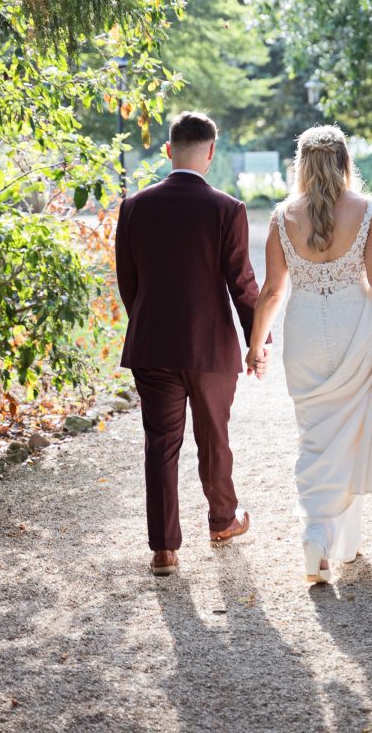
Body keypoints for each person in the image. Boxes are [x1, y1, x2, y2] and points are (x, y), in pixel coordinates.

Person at [246, 124, 372, 584]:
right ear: (345, 164)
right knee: (352, 434)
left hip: (303, 335)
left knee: (314, 435)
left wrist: (255, 346)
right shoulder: (370, 211)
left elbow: (272, 292)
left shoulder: (281, 217)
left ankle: (319, 537)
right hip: (356, 327)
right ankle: (332, 538)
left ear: (301, 166)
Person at [115, 110, 267, 575]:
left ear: (167, 151)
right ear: (211, 152)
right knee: (213, 437)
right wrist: (255, 342)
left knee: (160, 443)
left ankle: (164, 549)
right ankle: (222, 521)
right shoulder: (227, 209)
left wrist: (148, 322)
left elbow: (128, 283)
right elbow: (242, 283)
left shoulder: (134, 207)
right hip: (210, 348)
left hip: (153, 345)